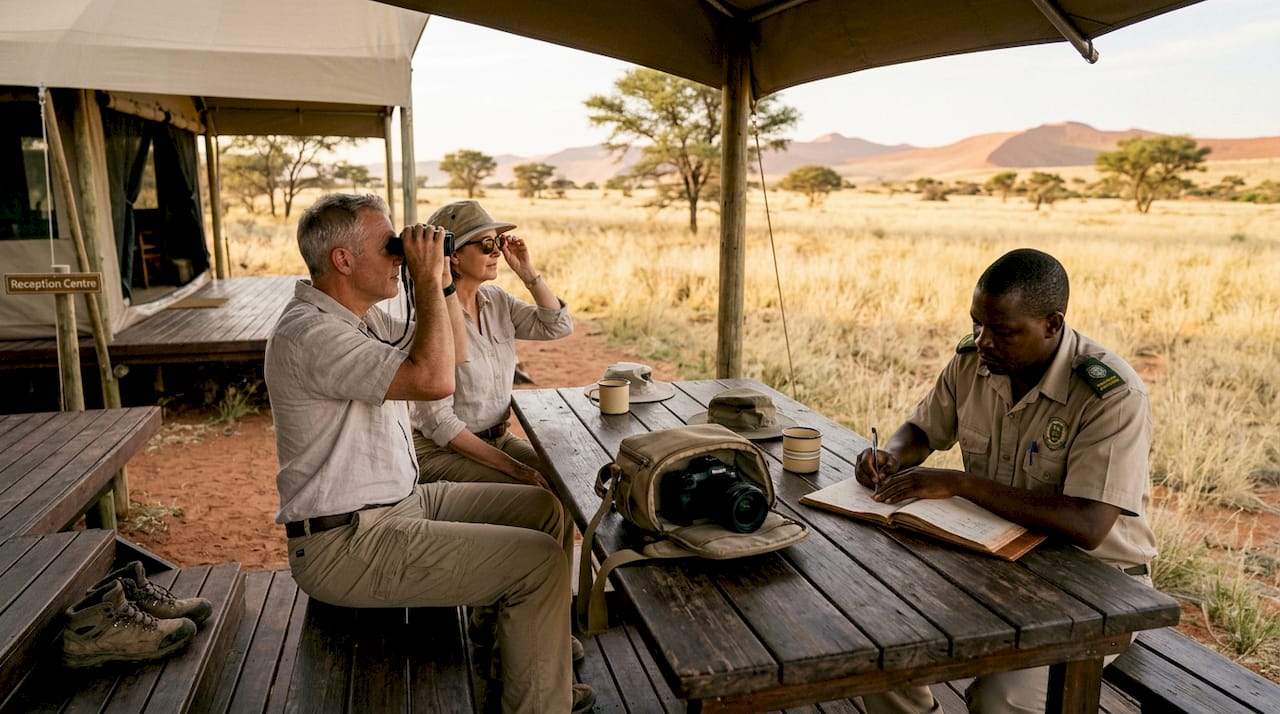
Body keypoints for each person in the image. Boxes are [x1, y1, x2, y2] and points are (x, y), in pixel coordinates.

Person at [264, 193, 593, 713]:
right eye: (390, 246)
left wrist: (438, 277)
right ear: (343, 260)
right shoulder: (313, 334)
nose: (400, 255)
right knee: (540, 564)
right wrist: (424, 278)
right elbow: (437, 380)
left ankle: (523, 663)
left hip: (394, 508)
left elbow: (454, 351)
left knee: (545, 509)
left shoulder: (358, 319)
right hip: (347, 541)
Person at [855, 248, 1156, 714]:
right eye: (977, 324)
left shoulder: (1110, 394)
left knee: (1002, 700)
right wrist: (890, 456)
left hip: (1098, 584)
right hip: (994, 559)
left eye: (1002, 331)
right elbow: (920, 431)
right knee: (879, 643)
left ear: (1053, 325)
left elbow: (1089, 524)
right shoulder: (976, 361)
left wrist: (962, 485)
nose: (984, 340)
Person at [409, 199, 572, 489]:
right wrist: (518, 470)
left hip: (500, 438)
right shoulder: (431, 315)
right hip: (445, 449)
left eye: (497, 241)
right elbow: (440, 423)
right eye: (486, 245)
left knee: (565, 479)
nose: (497, 250)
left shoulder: (497, 300)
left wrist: (526, 271)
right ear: (454, 256)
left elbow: (557, 326)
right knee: (536, 489)